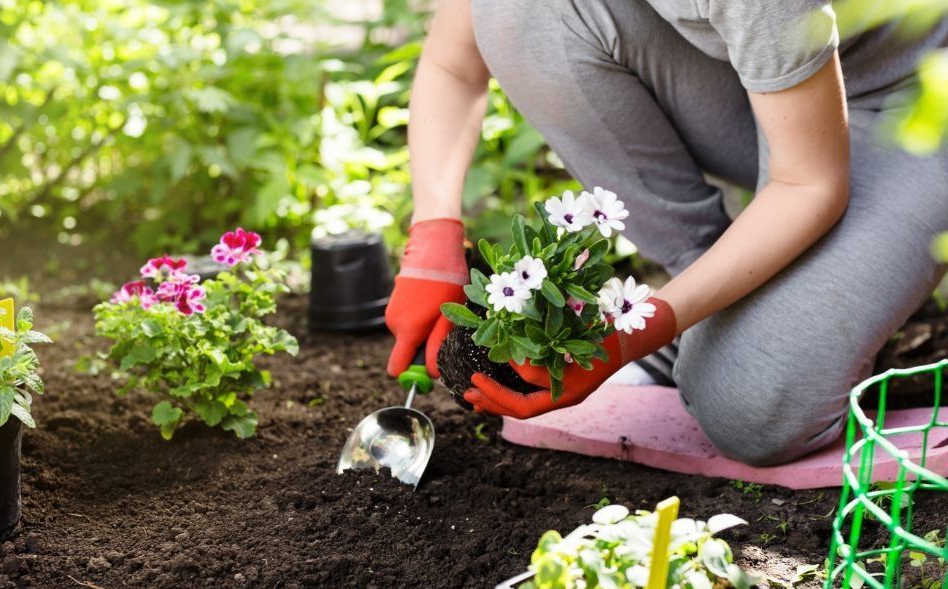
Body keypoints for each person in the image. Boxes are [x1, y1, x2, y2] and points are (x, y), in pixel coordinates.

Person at [384, 0, 948, 466]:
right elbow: (454, 64)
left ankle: (765, 326)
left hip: (915, 100)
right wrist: (432, 238)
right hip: (772, 89)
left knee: (749, 411)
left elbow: (809, 184)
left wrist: (631, 335)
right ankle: (715, 307)